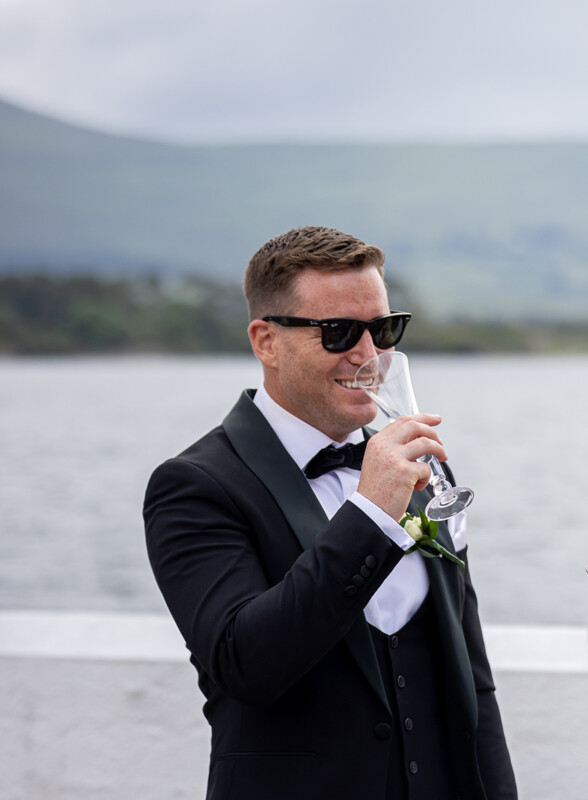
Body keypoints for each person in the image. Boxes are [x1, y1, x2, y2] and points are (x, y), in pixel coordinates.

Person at [144, 226, 517, 800]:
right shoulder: (195, 485)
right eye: (339, 332)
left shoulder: (419, 469)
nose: (368, 356)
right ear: (266, 341)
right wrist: (369, 514)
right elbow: (246, 663)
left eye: (383, 329)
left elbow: (471, 676)